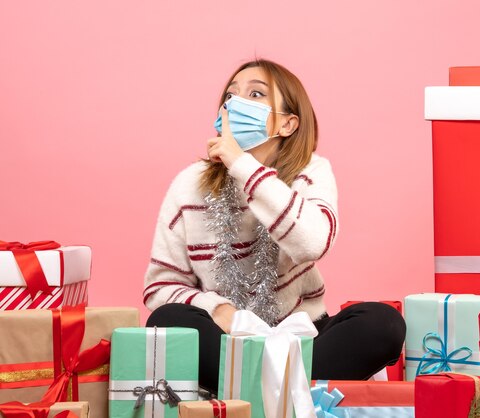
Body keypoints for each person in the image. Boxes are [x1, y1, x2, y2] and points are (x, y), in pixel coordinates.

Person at [144, 58, 406, 392]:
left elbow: (313, 242)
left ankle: (250, 393)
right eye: (231, 96)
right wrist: (218, 309)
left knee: (382, 324)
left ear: (288, 124)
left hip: (304, 338)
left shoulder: (312, 170)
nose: (236, 104)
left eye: (255, 95)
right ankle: (286, 394)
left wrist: (243, 165)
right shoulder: (189, 184)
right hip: (225, 339)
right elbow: (160, 288)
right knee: (167, 320)